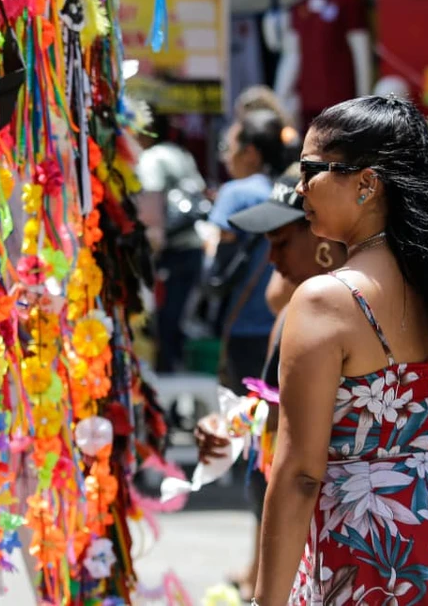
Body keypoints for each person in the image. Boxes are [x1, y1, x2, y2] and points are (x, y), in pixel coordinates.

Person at [253, 96, 428, 605]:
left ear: (366, 183)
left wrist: (265, 601)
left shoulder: (325, 300)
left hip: (375, 541)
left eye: (311, 170)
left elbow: (299, 473)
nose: (300, 188)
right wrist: (421, 426)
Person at [195, 169, 347, 599]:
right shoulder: (293, 313)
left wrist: (269, 594)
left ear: (322, 238)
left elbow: (301, 467)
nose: (272, 260)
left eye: (280, 243)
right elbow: (280, 411)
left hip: (340, 536)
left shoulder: (334, 315)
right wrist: (230, 425)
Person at [207, 109, 286, 395]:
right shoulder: (287, 191)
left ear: (250, 152)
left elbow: (216, 267)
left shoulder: (235, 193)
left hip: (245, 325)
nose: (225, 157)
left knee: (245, 412)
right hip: (285, 323)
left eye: (228, 148)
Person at [134, 108, 207, 372]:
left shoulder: (151, 159)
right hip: (193, 246)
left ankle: (167, 377)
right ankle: (177, 369)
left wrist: (148, 255)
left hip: (171, 253)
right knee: (177, 318)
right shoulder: (182, 154)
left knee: (163, 320)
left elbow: (152, 211)